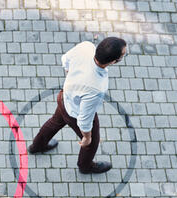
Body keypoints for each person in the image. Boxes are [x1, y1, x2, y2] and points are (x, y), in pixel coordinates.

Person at [29, 37, 127, 174]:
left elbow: (65, 60)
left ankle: (37, 146)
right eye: (123, 55)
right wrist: (87, 137)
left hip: (63, 99)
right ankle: (85, 166)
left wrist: (73, 79)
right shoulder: (97, 87)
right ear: (112, 61)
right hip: (75, 112)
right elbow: (84, 119)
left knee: (54, 122)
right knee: (92, 143)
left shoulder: (85, 47)